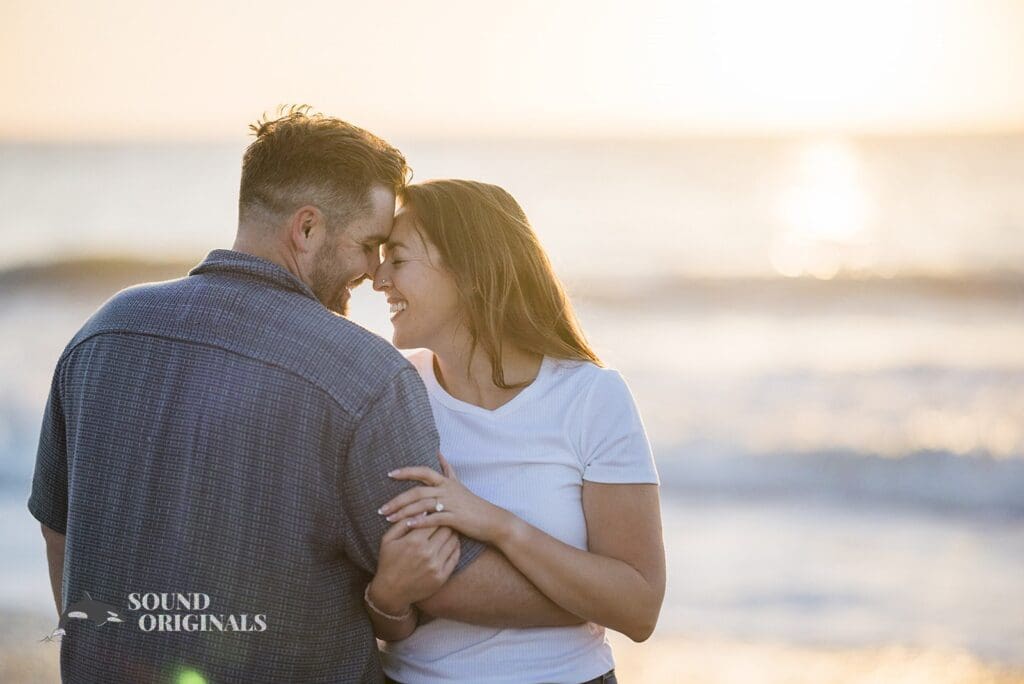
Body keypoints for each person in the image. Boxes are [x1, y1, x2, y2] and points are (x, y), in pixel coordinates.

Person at [28, 109, 580, 683]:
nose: (373, 272)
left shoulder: (103, 333)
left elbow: (58, 530)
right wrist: (605, 600)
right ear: (307, 228)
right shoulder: (366, 376)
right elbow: (445, 578)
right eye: (368, 245)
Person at [367, 179, 666, 684]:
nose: (377, 279)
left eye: (397, 259)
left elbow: (638, 608)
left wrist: (496, 523)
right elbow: (399, 607)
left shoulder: (592, 398)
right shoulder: (387, 393)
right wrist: (387, 598)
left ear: (469, 271)